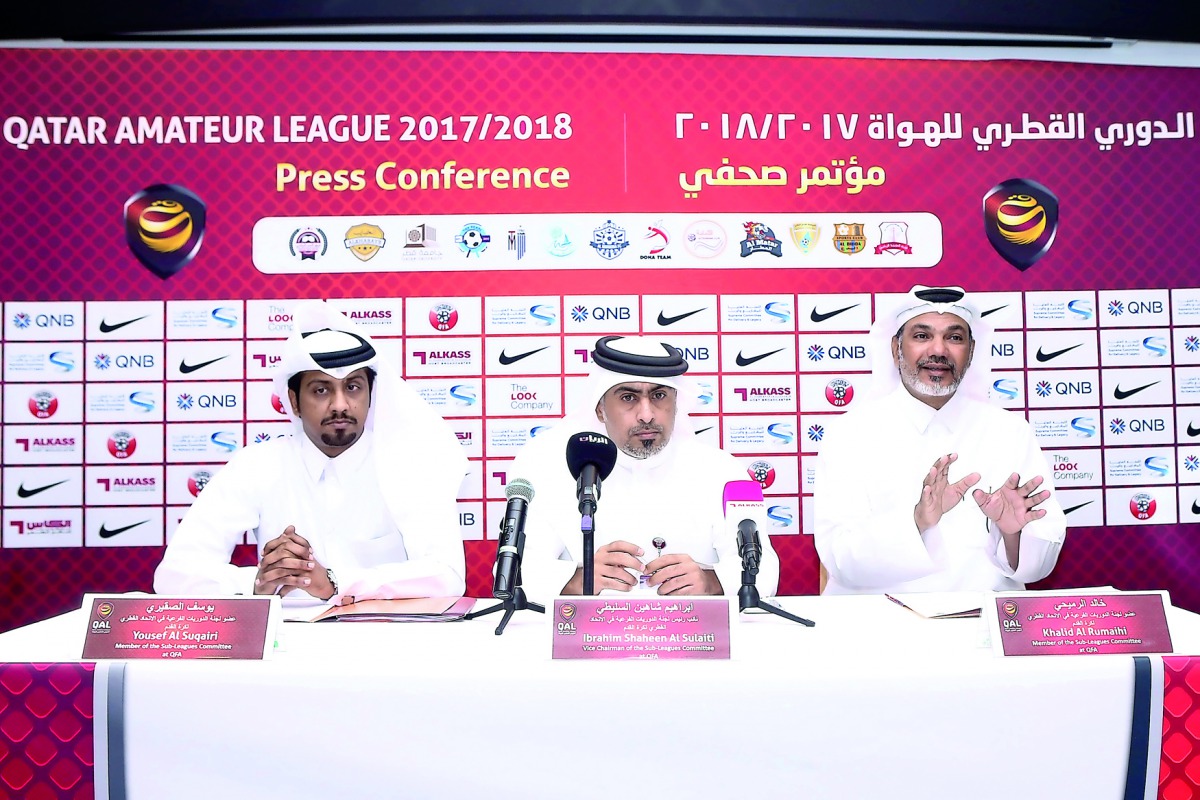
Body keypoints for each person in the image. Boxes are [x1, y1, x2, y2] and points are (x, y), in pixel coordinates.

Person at [154, 301, 468, 605]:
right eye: (321, 390)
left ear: (372, 394)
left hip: (384, 641)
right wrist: (259, 582)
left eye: (353, 387)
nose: (340, 404)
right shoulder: (259, 464)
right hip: (283, 647)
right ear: (293, 401)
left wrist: (335, 581)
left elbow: (447, 574)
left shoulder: (409, 464)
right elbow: (174, 574)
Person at [814, 285, 1066, 595]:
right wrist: (917, 522)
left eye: (954, 337)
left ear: (971, 352)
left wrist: (1012, 534)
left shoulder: (1010, 432)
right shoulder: (849, 434)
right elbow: (839, 559)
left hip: (983, 629)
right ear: (895, 349)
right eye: (922, 336)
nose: (939, 350)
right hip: (877, 629)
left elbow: (1041, 563)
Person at [512, 335, 780, 601]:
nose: (647, 414)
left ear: (676, 403)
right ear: (601, 409)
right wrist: (576, 579)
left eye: (659, 395)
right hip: (593, 637)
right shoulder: (551, 470)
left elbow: (765, 570)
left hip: (694, 637)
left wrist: (712, 581)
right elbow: (513, 571)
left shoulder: (721, 470)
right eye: (628, 397)